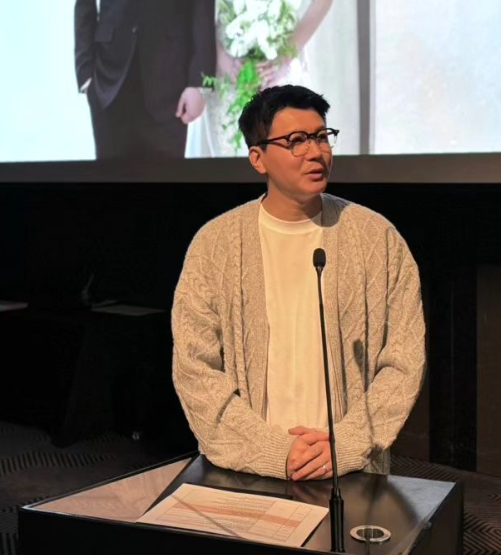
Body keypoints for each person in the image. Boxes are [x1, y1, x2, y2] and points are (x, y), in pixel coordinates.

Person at [172, 85, 425, 481]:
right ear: (258, 158)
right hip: (248, 467)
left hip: (349, 469)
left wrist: (346, 443)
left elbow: (404, 361)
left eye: (322, 137)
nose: (315, 151)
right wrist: (272, 449)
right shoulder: (215, 245)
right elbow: (194, 368)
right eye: (296, 141)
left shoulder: (377, 238)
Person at [186, 0, 334, 158]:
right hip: (228, 67)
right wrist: (221, 57)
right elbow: (198, 7)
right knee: (231, 158)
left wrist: (285, 58)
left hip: (283, 64)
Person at [74, 0, 216, 159]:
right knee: (110, 172)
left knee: (168, 172)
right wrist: (84, 73)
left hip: (170, 78)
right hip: (108, 77)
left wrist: (200, 84)